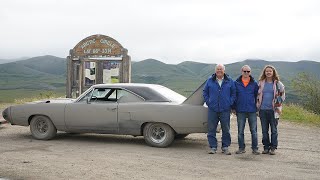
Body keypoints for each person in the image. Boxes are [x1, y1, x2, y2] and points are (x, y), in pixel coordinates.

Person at [203, 64, 236, 155]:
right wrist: (209, 102)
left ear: (224, 70)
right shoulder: (210, 80)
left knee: (226, 128)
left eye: (221, 69)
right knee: (211, 129)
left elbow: (233, 93)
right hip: (213, 108)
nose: (219, 71)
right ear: (215, 70)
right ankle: (213, 147)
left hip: (225, 109)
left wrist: (230, 102)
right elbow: (205, 92)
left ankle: (225, 147)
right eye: (217, 69)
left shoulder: (229, 81)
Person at [256, 65, 285, 155]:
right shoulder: (261, 83)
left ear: (273, 73)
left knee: (274, 130)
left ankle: (273, 147)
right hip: (263, 110)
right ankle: (266, 147)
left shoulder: (278, 84)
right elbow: (257, 95)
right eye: (267, 71)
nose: (268, 73)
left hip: (274, 111)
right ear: (264, 73)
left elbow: (282, 96)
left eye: (270, 71)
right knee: (264, 130)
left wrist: (277, 105)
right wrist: (257, 106)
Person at [234, 65, 260, 155]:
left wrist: (257, 108)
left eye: (248, 71)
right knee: (240, 131)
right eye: (244, 71)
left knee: (254, 131)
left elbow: (257, 96)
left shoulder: (254, 83)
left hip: (252, 110)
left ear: (250, 72)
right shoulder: (236, 83)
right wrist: (234, 108)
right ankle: (241, 148)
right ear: (241, 71)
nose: (246, 73)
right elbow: (234, 96)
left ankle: (255, 148)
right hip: (240, 110)